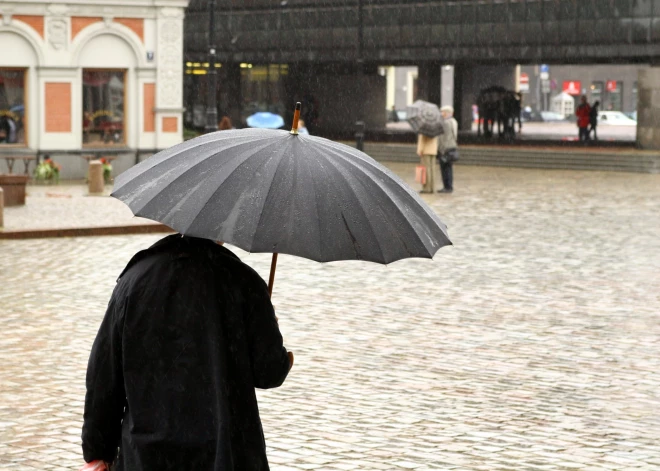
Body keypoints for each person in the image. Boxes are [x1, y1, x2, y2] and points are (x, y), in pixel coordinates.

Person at [81, 234, 294, 471]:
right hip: (224, 453)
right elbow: (268, 372)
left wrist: (97, 451)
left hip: (145, 454)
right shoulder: (244, 281)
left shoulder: (134, 280)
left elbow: (104, 374)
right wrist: (274, 335)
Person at [437, 105, 458, 194]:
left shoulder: (446, 123)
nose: (441, 114)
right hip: (452, 146)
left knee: (445, 169)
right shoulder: (453, 121)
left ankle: (447, 186)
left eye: (443, 112)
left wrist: (440, 149)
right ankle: (449, 186)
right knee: (449, 168)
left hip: (445, 148)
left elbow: (443, 138)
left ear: (447, 113)